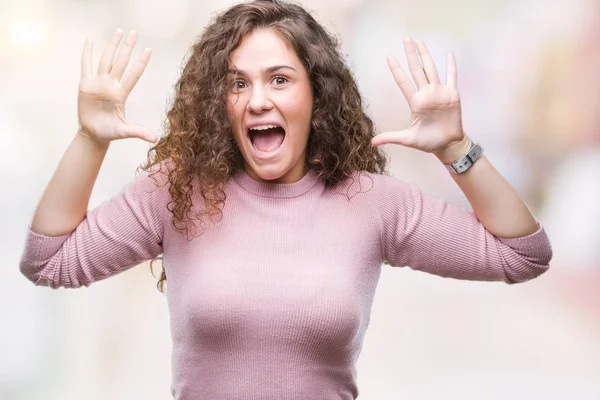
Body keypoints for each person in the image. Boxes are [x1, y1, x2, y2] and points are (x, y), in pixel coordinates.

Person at [18, 0, 553, 398]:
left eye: (279, 79)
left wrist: (456, 148)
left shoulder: (371, 202)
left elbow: (523, 254)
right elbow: (49, 262)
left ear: (316, 94)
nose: (257, 100)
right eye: (236, 83)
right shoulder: (177, 190)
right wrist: (90, 138)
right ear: (217, 101)